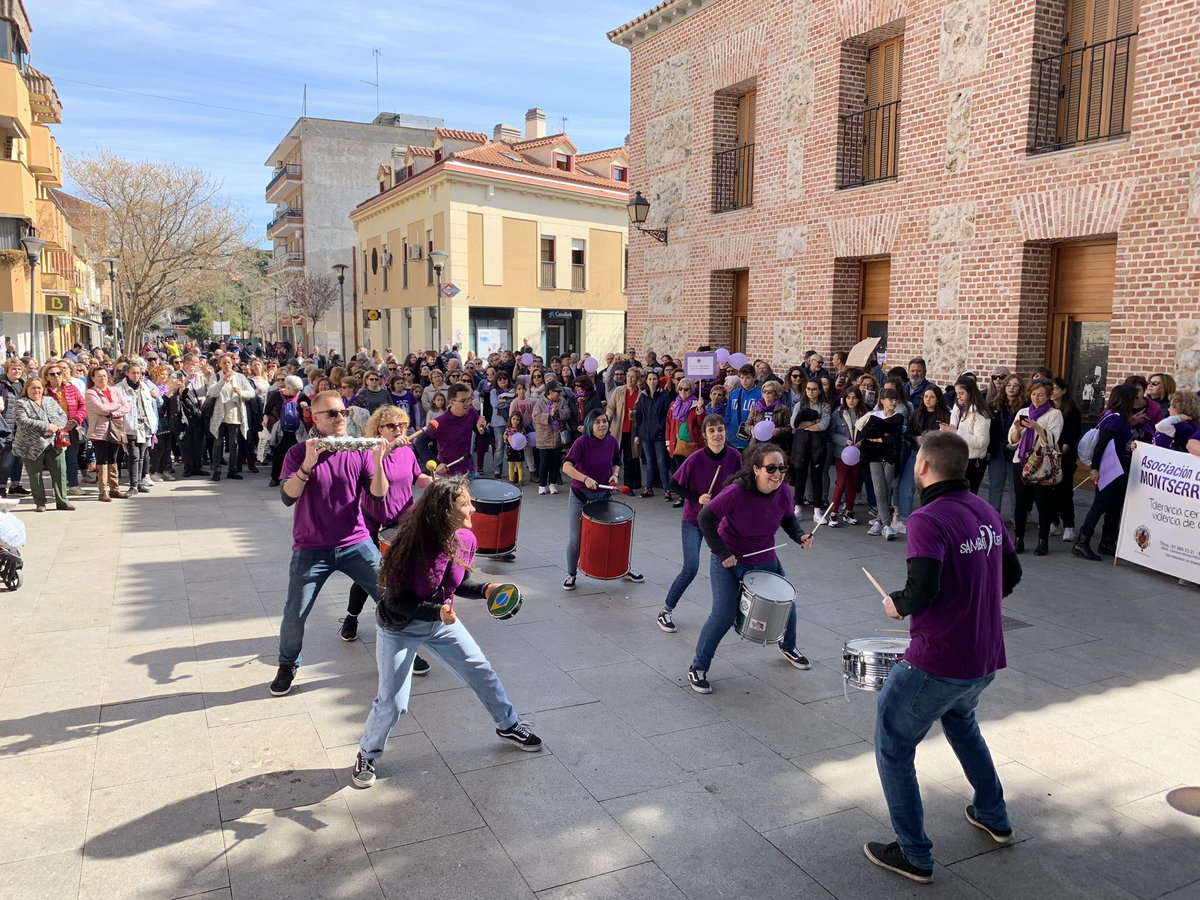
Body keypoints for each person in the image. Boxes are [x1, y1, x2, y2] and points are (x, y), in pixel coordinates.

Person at [864, 431, 1021, 885]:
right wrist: (974, 599)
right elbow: (1011, 573)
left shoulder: (926, 519)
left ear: (924, 467)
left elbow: (923, 589)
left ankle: (914, 854)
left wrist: (898, 603)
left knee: (893, 745)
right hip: (984, 656)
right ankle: (993, 814)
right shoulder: (986, 509)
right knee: (962, 723)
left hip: (937, 660)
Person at [351, 476, 542, 788]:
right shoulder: (412, 546)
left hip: (441, 622)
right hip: (400, 626)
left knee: (482, 670)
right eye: (465, 503)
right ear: (443, 512)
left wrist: (487, 589)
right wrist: (435, 611)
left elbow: (459, 583)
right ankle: (367, 752)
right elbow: (395, 601)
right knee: (393, 702)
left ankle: (508, 724)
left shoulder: (465, 539)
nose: (474, 508)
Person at [272, 390, 393, 697]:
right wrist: (307, 465)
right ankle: (288, 664)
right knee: (295, 612)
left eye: (343, 412)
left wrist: (378, 462)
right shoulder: (299, 453)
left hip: (355, 541)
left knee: (392, 597)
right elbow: (288, 496)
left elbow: (378, 495)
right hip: (311, 547)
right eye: (333, 414)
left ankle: (403, 651)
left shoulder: (357, 450)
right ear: (314, 418)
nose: (341, 418)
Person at [687, 442, 812, 693]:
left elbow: (787, 518)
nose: (777, 474)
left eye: (782, 468)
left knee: (788, 605)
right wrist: (723, 553)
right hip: (729, 559)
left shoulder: (784, 491)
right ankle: (698, 666)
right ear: (756, 469)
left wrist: (799, 536)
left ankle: (789, 646)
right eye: (771, 468)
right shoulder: (736, 492)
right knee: (723, 615)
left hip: (765, 556)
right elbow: (705, 518)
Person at [340, 406, 434, 683]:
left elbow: (415, 476)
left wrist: (428, 481)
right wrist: (387, 449)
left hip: (402, 522)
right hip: (371, 522)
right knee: (368, 577)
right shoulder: (369, 451)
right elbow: (368, 482)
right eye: (392, 426)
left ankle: (406, 643)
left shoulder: (407, 450)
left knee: (401, 582)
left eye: (402, 425)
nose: (399, 431)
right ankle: (351, 616)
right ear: (378, 428)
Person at [658, 414, 742, 633]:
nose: (717, 434)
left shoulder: (734, 456)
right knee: (691, 568)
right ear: (704, 436)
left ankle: (735, 613)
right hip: (694, 520)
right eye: (712, 431)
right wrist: (698, 497)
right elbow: (673, 484)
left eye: (720, 429)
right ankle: (665, 610)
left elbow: (741, 483)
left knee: (732, 565)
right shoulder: (695, 459)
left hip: (722, 522)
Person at [560, 409, 645, 590]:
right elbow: (566, 467)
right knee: (576, 537)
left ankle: (623, 569)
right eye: (598, 422)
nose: (602, 425)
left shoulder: (612, 441)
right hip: (580, 495)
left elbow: (616, 462)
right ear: (591, 424)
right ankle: (571, 573)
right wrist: (584, 478)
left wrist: (614, 475)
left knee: (615, 535)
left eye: (604, 421)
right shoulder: (581, 442)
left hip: (604, 495)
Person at [1072, 385, 1138, 562]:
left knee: (1114, 505)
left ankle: (1107, 541)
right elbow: (1102, 443)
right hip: (1109, 468)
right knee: (1100, 504)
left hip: (1118, 468)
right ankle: (1082, 541)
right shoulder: (1115, 419)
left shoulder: (1116, 417)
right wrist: (1094, 468)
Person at [1008, 379, 1063, 555]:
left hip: (1042, 465)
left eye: (1040, 395)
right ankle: (1019, 539)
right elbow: (1012, 441)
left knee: (1043, 502)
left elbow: (1053, 440)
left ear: (1048, 396)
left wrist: (1037, 427)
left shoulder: (1054, 414)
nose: (1036, 398)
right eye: (1033, 394)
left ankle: (1043, 540)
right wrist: (1017, 430)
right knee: (1021, 503)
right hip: (1022, 461)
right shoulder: (1023, 412)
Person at [13, 378, 73, 512]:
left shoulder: (49, 400)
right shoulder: (21, 403)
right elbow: (22, 421)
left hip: (55, 443)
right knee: (36, 475)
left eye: (39, 388)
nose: (36, 390)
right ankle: (40, 503)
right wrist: (46, 426)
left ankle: (62, 501)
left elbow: (62, 415)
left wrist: (55, 426)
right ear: (26, 389)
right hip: (32, 445)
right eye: (33, 388)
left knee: (60, 473)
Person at [860, 387, 905, 539]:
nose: (893, 402)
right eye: (890, 399)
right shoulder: (874, 415)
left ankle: (879, 522)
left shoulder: (898, 417)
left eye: (895, 399)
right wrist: (883, 435)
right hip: (874, 455)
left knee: (886, 489)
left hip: (890, 456)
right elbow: (865, 433)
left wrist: (880, 438)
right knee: (879, 491)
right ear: (882, 401)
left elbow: (894, 437)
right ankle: (887, 525)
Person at [84, 367, 131, 501]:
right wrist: (116, 406)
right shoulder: (91, 393)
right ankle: (103, 491)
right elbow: (101, 409)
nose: (102, 378)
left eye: (104, 375)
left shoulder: (115, 390)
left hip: (115, 429)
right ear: (93, 378)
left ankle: (114, 488)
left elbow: (126, 407)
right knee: (102, 460)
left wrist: (113, 413)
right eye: (99, 376)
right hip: (99, 431)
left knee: (113, 458)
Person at [41, 363, 87, 496]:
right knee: (56, 460)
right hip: (54, 431)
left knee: (71, 458)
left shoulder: (71, 388)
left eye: (58, 373)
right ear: (47, 377)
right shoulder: (44, 392)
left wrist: (75, 420)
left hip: (70, 429)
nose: (56, 376)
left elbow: (82, 405)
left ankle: (73, 485)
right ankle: (59, 487)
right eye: (52, 374)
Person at [790, 379, 832, 522]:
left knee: (816, 476)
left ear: (819, 390)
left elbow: (824, 425)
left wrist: (805, 425)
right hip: (801, 442)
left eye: (814, 389)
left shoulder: (825, 406)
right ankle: (798, 507)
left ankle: (817, 509)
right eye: (808, 389)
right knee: (800, 475)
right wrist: (813, 423)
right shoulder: (799, 404)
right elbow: (794, 424)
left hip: (818, 443)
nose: (810, 392)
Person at [1048, 378, 1083, 542]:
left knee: (1064, 491)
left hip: (1064, 456)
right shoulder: (1045, 408)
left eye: (1055, 388)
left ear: (1063, 390)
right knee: (1049, 490)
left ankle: (1069, 525)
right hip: (1047, 454)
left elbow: (1073, 431)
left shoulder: (1071, 410)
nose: (1052, 392)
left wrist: (1064, 447)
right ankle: (1053, 522)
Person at [987, 374, 1025, 518]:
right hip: (998, 449)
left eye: (1015, 385)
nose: (1011, 388)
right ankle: (993, 518)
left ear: (1020, 388)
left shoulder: (1025, 407)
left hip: (1016, 449)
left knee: (1015, 486)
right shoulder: (995, 404)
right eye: (1008, 385)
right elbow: (990, 429)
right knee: (995, 485)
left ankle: (1017, 518)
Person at [828, 386, 866, 526]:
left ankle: (849, 511)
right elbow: (831, 433)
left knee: (853, 482)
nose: (851, 400)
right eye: (848, 397)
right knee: (842, 482)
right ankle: (833, 512)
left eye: (854, 398)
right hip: (842, 453)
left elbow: (867, 432)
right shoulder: (837, 413)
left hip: (857, 453)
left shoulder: (864, 414)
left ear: (859, 399)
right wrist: (844, 441)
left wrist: (861, 442)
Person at [946, 376, 991, 494]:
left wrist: (956, 432)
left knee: (968, 495)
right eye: (957, 393)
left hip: (973, 461)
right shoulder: (957, 408)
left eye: (961, 393)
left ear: (971, 393)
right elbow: (953, 428)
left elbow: (981, 442)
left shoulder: (981, 414)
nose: (958, 396)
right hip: (957, 456)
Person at [432, 382, 487, 477]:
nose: (467, 404)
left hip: (468, 469)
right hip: (447, 473)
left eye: (469, 399)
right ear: (451, 401)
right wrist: (436, 464)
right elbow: (421, 442)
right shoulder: (441, 421)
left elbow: (483, 437)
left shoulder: (471, 412)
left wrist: (482, 429)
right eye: (463, 401)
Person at [634, 370, 673, 498]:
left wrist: (660, 428)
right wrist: (637, 433)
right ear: (646, 381)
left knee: (662, 463)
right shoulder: (643, 396)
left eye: (654, 379)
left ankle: (667, 489)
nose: (652, 382)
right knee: (650, 463)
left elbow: (666, 416)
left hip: (659, 436)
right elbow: (638, 416)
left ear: (658, 381)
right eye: (650, 379)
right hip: (645, 435)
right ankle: (649, 488)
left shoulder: (664, 396)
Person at [605, 366, 642, 490]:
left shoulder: (641, 394)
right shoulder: (619, 391)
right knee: (613, 458)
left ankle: (628, 486)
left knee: (630, 460)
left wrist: (635, 414)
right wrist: (609, 414)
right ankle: (609, 485)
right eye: (628, 376)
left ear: (637, 379)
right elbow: (611, 406)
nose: (630, 379)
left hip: (632, 431)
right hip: (618, 430)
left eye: (633, 377)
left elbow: (643, 412)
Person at [532, 381, 570, 494]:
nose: (559, 394)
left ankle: (552, 484)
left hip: (557, 438)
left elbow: (568, 414)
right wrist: (549, 415)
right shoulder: (539, 403)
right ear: (550, 392)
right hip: (544, 438)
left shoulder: (562, 401)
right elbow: (535, 417)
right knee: (544, 462)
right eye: (557, 392)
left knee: (555, 462)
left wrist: (558, 412)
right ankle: (542, 485)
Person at [724, 364, 762, 451]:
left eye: (748, 378)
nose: (744, 380)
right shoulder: (734, 393)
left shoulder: (760, 395)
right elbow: (728, 414)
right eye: (742, 378)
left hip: (748, 438)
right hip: (732, 436)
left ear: (754, 377)